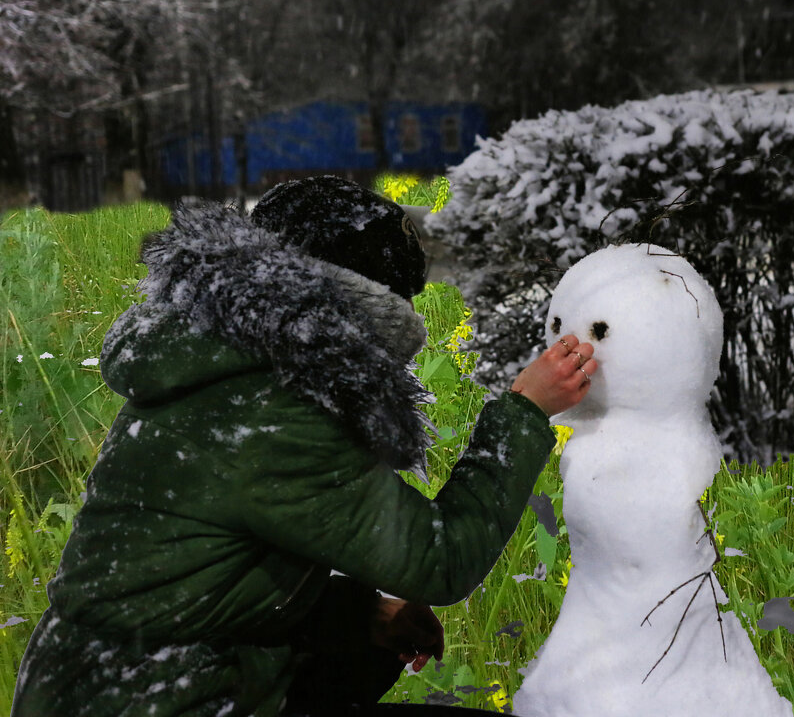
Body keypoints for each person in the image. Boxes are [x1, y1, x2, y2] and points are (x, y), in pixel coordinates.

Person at [12, 176, 598, 716]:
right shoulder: (279, 414)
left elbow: (196, 573)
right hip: (153, 700)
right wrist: (525, 408)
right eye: (403, 302)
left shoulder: (219, 367)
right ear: (363, 303)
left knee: (358, 656)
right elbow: (440, 560)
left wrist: (357, 614)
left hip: (96, 684)